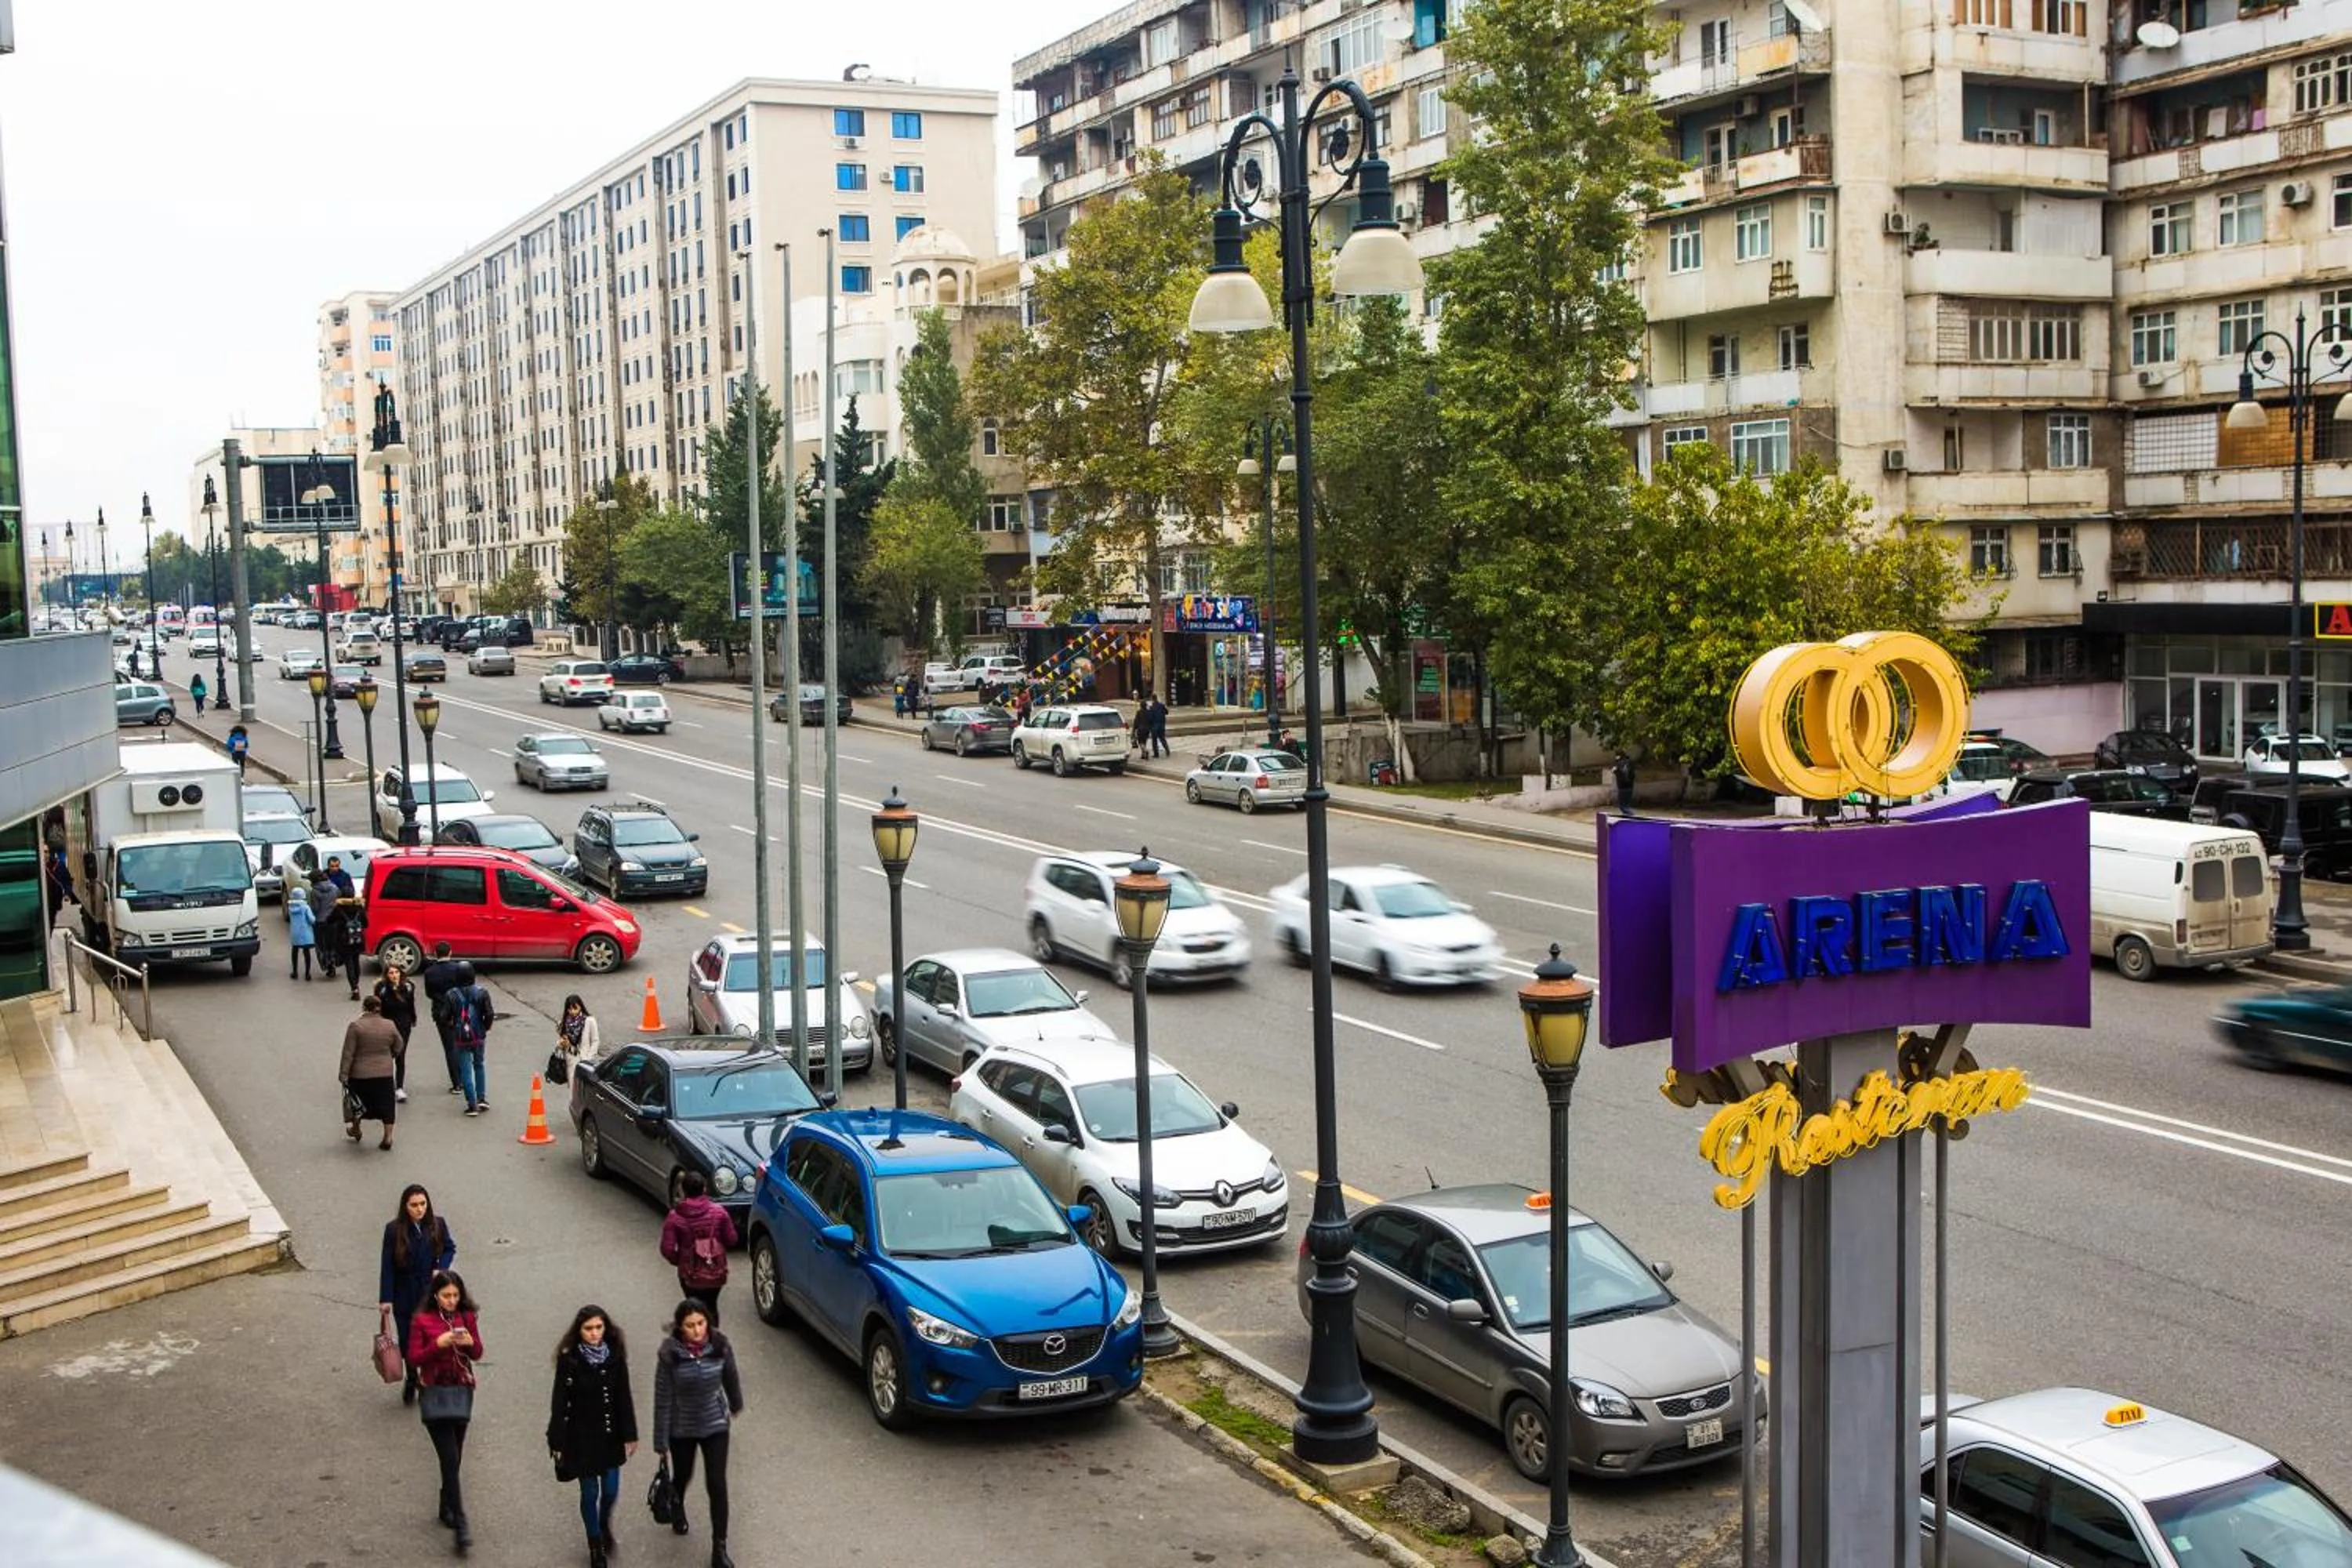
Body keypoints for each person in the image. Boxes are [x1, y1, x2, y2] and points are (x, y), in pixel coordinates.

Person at [652, 1299, 742, 1567]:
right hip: (683, 1427)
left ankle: (720, 1547)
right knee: (683, 1475)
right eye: (690, 1326)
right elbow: (663, 1397)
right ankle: (677, 1507)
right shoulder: (670, 1354)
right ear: (680, 1328)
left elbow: (731, 1375)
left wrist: (735, 1403)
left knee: (717, 1483)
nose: (697, 1330)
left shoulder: (720, 1345)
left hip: (715, 1424)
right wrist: (661, 1440)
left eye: (701, 1323)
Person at [547, 1305, 639, 1568]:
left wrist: (630, 1434)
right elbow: (559, 1402)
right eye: (588, 1329)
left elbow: (624, 1396)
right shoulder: (570, 1360)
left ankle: (603, 1521)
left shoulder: (615, 1356)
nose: (595, 1333)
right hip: (581, 1438)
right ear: (579, 1331)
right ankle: (595, 1543)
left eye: (599, 1328)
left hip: (610, 1436)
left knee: (610, 1490)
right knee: (590, 1493)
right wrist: (557, 1441)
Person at [407, 1270, 483, 1553]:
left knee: (456, 1454)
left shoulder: (467, 1317)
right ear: (435, 1296)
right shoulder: (422, 1320)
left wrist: (469, 1344)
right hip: (435, 1392)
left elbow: (478, 1353)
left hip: (462, 1390)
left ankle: (445, 1502)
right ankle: (461, 1524)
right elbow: (414, 1358)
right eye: (446, 1296)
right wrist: (437, 1345)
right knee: (449, 1457)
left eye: (455, 1295)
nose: (451, 1301)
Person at [379, 1185, 456, 1407]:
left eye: (423, 1204)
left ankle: (425, 1379)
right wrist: (386, 1298)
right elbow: (387, 1265)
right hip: (404, 1293)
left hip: (429, 1293)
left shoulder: (437, 1224)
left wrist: (441, 1267)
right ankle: (412, 1376)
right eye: (414, 1205)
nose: (420, 1209)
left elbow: (449, 1248)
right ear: (406, 1207)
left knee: (430, 1337)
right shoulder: (394, 1230)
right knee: (407, 1339)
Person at [659, 1171, 739, 1325]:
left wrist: (681, 1260)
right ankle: (713, 1339)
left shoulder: (675, 1217)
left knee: (694, 1308)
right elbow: (732, 1239)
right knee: (711, 1306)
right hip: (715, 1271)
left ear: (683, 1190)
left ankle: (693, 1338)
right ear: (704, 1189)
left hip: (690, 1274)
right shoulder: (719, 1213)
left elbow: (667, 1249)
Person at [339, 993, 402, 1150]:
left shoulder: (356, 1026)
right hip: (384, 1074)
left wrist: (344, 1074)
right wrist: (390, 1055)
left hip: (360, 1075)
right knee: (387, 1106)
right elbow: (399, 1045)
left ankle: (356, 1128)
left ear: (364, 1008)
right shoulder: (390, 1025)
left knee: (358, 1104)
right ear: (379, 1008)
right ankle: (388, 1137)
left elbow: (348, 1053)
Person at [446, 962, 495, 1116]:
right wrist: (485, 1028)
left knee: (465, 1069)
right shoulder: (482, 992)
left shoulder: (451, 994)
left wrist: (453, 1025)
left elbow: (445, 1016)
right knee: (479, 1064)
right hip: (478, 1034)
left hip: (461, 1037)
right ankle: (482, 1098)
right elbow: (489, 1014)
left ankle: (472, 1105)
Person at [421, 942, 466, 1097]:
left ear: (435, 953)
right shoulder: (458, 969)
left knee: (450, 1048)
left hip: (441, 1012)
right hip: (460, 1012)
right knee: (463, 1046)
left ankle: (457, 1084)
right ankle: (467, 1080)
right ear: (450, 953)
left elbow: (429, 993)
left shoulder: (429, 972)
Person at [375, 963, 419, 1104]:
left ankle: (399, 1087)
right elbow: (378, 1008)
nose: (394, 976)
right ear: (386, 975)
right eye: (391, 973)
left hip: (404, 1025)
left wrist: (413, 1019)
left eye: (397, 972)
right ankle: (386, 1086)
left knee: (400, 1055)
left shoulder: (408, 987)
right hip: (387, 1026)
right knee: (386, 1056)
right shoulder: (381, 989)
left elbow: (411, 1004)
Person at [556, 993, 601, 1072]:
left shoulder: (589, 1020)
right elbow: (560, 1043)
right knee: (572, 1084)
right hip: (570, 1061)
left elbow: (595, 1041)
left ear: (581, 1006)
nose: (572, 1011)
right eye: (569, 1009)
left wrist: (588, 1059)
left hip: (585, 1062)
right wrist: (561, 1044)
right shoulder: (563, 1023)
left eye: (575, 1008)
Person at [287, 887, 318, 981]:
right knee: (306, 953)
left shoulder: (290, 907)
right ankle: (307, 974)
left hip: (295, 933)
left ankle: (295, 972)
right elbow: (312, 920)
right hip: (305, 933)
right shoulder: (305, 907)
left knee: (295, 952)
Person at [1612, 751, 1637, 816]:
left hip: (1622, 787)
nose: (1616, 757)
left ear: (1619, 756)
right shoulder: (1630, 762)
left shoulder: (1620, 764)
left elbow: (1621, 774)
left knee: (1623, 806)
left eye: (1617, 755)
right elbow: (1633, 774)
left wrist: (1615, 771)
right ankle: (1628, 817)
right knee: (1627, 804)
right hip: (1630, 786)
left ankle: (1631, 816)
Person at [1148, 692, 1171, 759]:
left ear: (1152, 699)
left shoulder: (1151, 707)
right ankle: (1167, 750)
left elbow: (1150, 717)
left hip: (1154, 726)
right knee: (1162, 738)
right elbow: (1167, 712)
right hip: (1161, 725)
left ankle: (1156, 754)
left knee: (1154, 741)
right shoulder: (1162, 705)